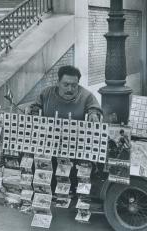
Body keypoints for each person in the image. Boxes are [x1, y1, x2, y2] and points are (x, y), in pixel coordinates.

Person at [29, 65, 103, 193]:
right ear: (58, 83)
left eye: (74, 85)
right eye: (66, 84)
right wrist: (33, 113)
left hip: (75, 145)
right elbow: (35, 107)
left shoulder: (86, 96)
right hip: (49, 142)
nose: (70, 89)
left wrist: (93, 114)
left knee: (74, 178)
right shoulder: (47, 93)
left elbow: (94, 108)